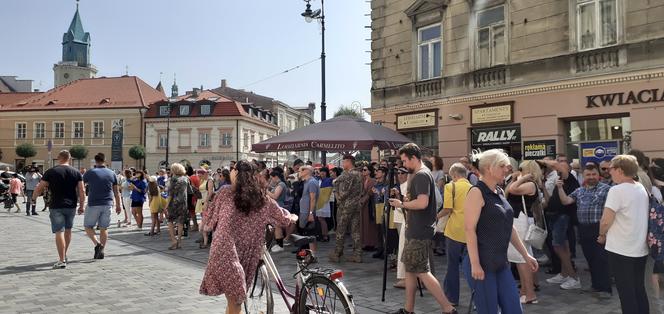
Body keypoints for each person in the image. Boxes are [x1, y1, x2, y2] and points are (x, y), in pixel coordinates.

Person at [199, 161, 298, 314]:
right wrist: (292, 217)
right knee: (236, 299)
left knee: (234, 300)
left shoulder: (225, 192)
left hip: (225, 250)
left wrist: (206, 223)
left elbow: (209, 219)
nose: (230, 172)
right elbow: (282, 217)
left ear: (237, 173)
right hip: (240, 251)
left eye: (232, 169)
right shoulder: (261, 198)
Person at [462, 149, 538, 314]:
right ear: (489, 168)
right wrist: (475, 263)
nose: (508, 169)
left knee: (514, 309)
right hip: (481, 263)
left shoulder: (500, 192)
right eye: (503, 166)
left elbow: (509, 227)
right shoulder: (476, 192)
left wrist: (526, 255)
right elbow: (469, 229)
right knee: (488, 310)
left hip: (500, 263)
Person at [388, 143, 456, 314]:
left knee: (421, 271)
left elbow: (422, 203)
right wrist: (402, 200)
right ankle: (408, 310)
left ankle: (448, 309)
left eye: (404, 161)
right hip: (417, 229)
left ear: (413, 158)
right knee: (411, 270)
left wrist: (401, 203)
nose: (403, 165)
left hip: (419, 231)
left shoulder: (421, 176)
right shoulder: (420, 174)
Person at [598, 154, 650, 314]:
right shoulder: (640, 187)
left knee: (626, 294)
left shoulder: (617, 190)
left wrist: (601, 235)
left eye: (610, 169)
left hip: (621, 249)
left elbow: (606, 220)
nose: (608, 172)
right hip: (640, 248)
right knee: (639, 290)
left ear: (619, 170)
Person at [557, 162, 612, 298]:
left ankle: (605, 289)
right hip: (583, 229)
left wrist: (604, 232)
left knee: (601, 259)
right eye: (588, 174)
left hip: (599, 228)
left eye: (594, 174)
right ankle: (595, 285)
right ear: (583, 175)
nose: (591, 177)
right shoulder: (579, 191)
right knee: (590, 259)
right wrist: (559, 188)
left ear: (598, 175)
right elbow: (566, 201)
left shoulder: (606, 189)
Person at [32, 150, 85, 269]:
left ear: (59, 158)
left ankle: (61, 260)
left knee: (59, 232)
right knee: (68, 230)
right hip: (71, 205)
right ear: (69, 159)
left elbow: (39, 187)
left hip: (56, 205)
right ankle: (64, 255)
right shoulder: (76, 172)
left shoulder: (51, 171)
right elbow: (82, 191)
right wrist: (81, 205)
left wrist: (33, 199)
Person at [505, 160, 543, 302]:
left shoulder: (530, 184)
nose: (519, 170)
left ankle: (530, 293)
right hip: (517, 219)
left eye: (522, 168)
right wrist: (516, 178)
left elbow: (513, 189)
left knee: (521, 258)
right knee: (521, 257)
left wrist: (522, 178)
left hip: (520, 220)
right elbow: (507, 191)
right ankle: (524, 291)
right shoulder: (524, 182)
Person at [541, 155, 581, 289]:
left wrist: (537, 162)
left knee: (558, 246)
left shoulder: (570, 178)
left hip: (563, 216)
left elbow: (557, 166)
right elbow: (550, 198)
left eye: (563, 162)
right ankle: (564, 274)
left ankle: (574, 277)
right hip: (554, 215)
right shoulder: (559, 179)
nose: (558, 164)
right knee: (563, 246)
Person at [440, 163, 472, 307]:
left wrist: (435, 216)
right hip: (471, 231)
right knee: (472, 267)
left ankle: (452, 298)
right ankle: (477, 298)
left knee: (452, 266)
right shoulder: (474, 188)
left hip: (453, 232)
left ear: (454, 175)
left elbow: (447, 209)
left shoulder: (450, 187)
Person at [82, 153, 122, 259]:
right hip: (108, 204)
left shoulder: (90, 172)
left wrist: (80, 201)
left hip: (93, 203)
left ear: (95, 161)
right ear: (105, 160)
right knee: (104, 228)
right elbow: (116, 191)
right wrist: (118, 205)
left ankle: (97, 244)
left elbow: (81, 185)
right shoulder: (112, 173)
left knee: (88, 226)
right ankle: (102, 251)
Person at [329, 155, 364, 263]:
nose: (342, 164)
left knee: (341, 229)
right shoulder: (358, 174)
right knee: (355, 230)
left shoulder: (350, 175)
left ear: (349, 162)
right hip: (356, 205)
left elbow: (345, 191)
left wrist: (338, 197)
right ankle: (357, 254)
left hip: (346, 206)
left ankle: (337, 253)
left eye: (344, 162)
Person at [392, 167, 410, 288]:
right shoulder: (400, 185)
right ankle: (405, 277)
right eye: (398, 173)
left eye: (402, 173)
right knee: (402, 246)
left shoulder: (410, 185)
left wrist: (399, 199)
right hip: (400, 218)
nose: (399, 175)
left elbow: (406, 205)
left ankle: (407, 278)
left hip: (408, 220)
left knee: (405, 248)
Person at [166, 163, 190, 250]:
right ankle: (179, 241)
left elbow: (170, 194)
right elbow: (190, 191)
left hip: (174, 203)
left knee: (170, 221)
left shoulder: (173, 179)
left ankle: (173, 240)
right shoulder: (186, 178)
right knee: (180, 222)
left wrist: (166, 205)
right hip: (183, 203)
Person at [297, 165, 319, 254]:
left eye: (301, 170)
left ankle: (311, 254)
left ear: (307, 171)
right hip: (304, 210)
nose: (299, 172)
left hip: (307, 211)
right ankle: (307, 253)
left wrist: (310, 213)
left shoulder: (312, 182)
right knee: (305, 233)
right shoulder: (306, 182)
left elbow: (313, 198)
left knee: (310, 233)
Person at [267, 170, 289, 252]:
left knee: (277, 226)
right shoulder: (278, 184)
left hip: (278, 206)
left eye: (271, 178)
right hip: (275, 207)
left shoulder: (281, 184)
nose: (271, 180)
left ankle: (280, 245)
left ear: (275, 177)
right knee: (276, 226)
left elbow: (275, 196)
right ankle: (278, 243)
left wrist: (266, 191)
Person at [360, 164, 378, 250]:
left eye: (365, 170)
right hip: (364, 204)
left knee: (370, 223)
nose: (363, 171)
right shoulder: (363, 180)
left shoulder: (372, 180)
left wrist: (363, 200)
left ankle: (372, 243)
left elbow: (370, 193)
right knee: (364, 223)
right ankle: (366, 242)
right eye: (363, 170)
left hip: (370, 204)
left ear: (369, 171)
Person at [195, 169, 214, 249]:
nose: (199, 177)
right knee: (204, 222)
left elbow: (210, 193)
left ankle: (206, 241)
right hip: (201, 202)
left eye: (201, 175)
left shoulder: (209, 181)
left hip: (207, 203)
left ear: (205, 174)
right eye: (198, 175)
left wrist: (206, 202)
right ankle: (205, 240)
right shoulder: (202, 180)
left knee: (206, 222)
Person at [316, 167, 333, 242]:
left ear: (327, 173)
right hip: (319, 201)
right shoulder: (318, 180)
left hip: (324, 201)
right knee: (320, 219)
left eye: (324, 172)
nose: (322, 173)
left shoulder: (329, 180)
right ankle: (323, 235)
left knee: (322, 219)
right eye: (321, 172)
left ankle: (325, 235)